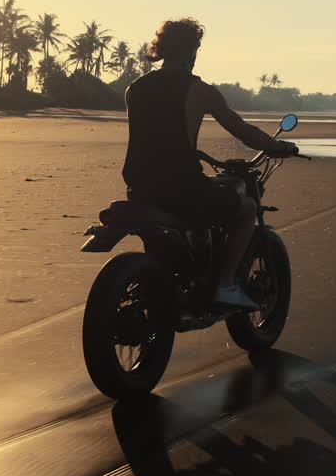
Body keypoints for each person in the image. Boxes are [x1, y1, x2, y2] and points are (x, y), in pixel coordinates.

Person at [122, 17, 299, 310]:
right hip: (181, 187)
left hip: (139, 187)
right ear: (192, 50)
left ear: (162, 48)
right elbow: (241, 130)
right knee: (246, 209)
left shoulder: (134, 89)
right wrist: (278, 146)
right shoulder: (199, 90)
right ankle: (226, 285)